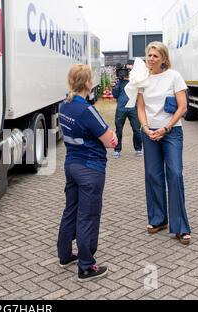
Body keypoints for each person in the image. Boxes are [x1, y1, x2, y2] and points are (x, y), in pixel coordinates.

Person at [57, 64, 118, 281]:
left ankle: (65, 255)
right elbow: (110, 141)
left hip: (71, 166)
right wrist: (115, 136)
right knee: (88, 217)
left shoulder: (64, 106)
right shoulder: (86, 110)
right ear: (88, 83)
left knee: (70, 210)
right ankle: (86, 266)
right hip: (90, 169)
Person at [136, 42, 192, 245]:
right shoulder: (142, 79)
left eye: (155, 56)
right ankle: (158, 220)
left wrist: (166, 128)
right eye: (149, 55)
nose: (150, 59)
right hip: (149, 133)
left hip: (171, 133)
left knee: (175, 174)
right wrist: (145, 127)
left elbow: (182, 107)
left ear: (164, 58)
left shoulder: (174, 76)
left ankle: (180, 227)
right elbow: (140, 107)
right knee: (152, 175)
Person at [112, 65, 143, 158]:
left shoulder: (135, 82)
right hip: (121, 109)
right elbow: (115, 95)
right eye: (122, 71)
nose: (123, 73)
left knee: (137, 130)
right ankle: (117, 150)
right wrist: (113, 87)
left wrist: (132, 69)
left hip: (133, 108)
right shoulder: (118, 82)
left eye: (125, 71)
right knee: (119, 130)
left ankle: (138, 149)